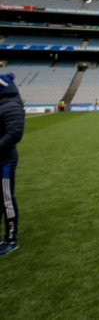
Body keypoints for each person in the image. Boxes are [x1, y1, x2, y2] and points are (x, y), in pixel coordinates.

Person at [0, 72, 25, 256]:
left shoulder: (10, 104)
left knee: (7, 200)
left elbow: (15, 134)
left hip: (5, 161)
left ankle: (11, 239)